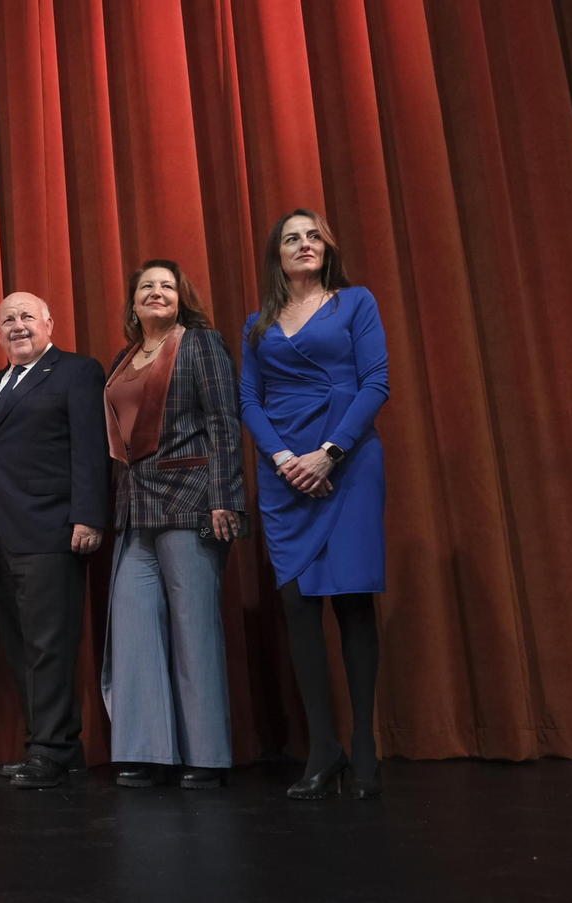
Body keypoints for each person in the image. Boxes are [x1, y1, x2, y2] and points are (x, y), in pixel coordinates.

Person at [241, 209, 389, 801]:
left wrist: (329, 454)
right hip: (282, 472)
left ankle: (364, 749)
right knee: (299, 608)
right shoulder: (258, 322)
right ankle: (323, 749)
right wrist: (283, 460)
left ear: (328, 248)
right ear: (276, 255)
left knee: (353, 603)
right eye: (291, 239)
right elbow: (249, 400)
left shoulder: (356, 303)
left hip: (347, 462)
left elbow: (376, 381)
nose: (304, 245)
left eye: (313, 236)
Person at [100, 260, 244, 791]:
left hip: (192, 501)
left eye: (166, 286)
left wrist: (227, 497)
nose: (157, 293)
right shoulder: (122, 359)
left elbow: (224, 422)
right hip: (135, 509)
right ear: (133, 303)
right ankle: (145, 750)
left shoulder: (201, 345)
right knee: (133, 628)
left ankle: (205, 756)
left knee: (193, 630)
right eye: (146, 287)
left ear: (181, 298)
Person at [0, 291, 108, 789]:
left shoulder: (77, 371)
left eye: (27, 316)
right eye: (7, 319)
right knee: (22, 644)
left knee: (50, 644)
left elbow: (91, 448)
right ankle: (58, 747)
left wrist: (89, 516)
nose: (18, 325)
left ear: (49, 322)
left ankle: (48, 750)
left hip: (52, 529)